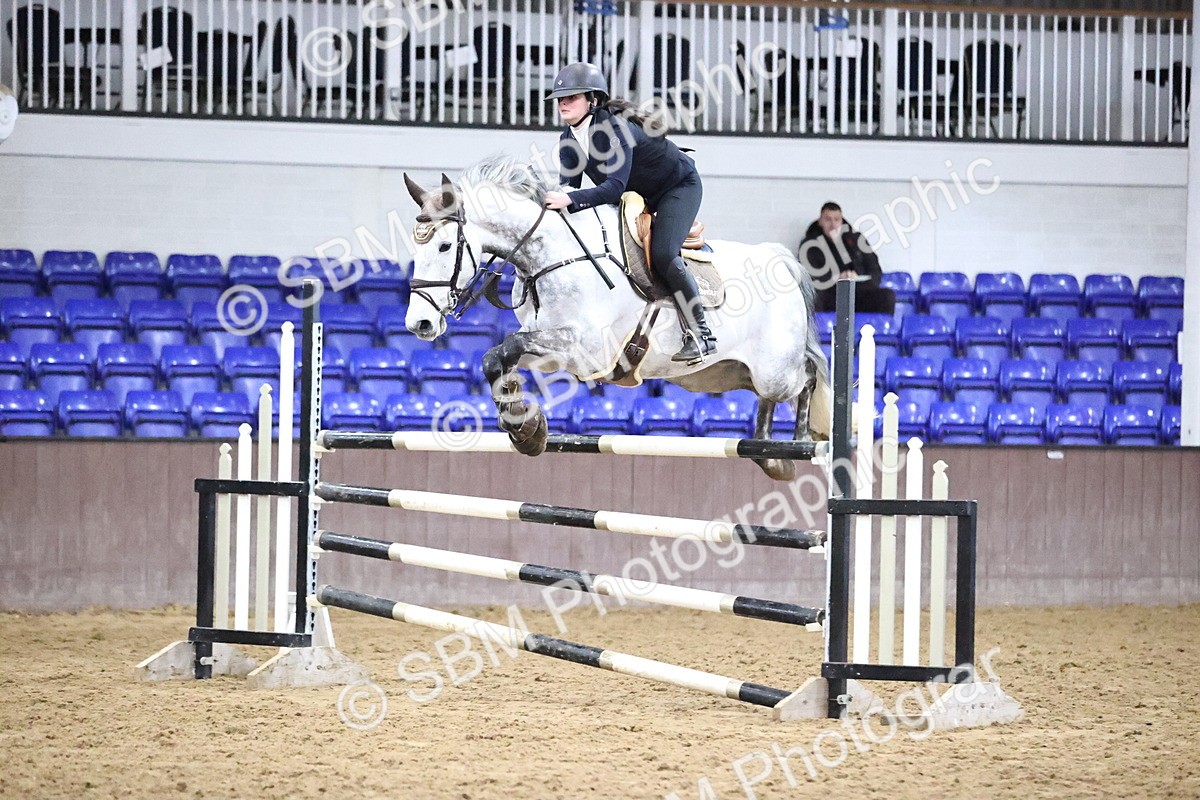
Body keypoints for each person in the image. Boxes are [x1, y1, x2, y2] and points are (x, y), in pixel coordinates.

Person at [541, 62, 715, 364]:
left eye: (572, 97)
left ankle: (702, 335)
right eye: (560, 98)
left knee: (663, 255)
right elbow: (569, 189)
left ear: (593, 100)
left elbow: (612, 189)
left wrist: (568, 201)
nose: (563, 103)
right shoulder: (568, 140)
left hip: (677, 187)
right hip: (639, 194)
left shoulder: (614, 130)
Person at [798, 202, 896, 315]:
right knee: (814, 299)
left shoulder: (856, 240)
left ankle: (877, 332)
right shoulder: (810, 245)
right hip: (829, 294)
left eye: (836, 219)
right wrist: (836, 278)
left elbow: (875, 270)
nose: (833, 225)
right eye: (828, 220)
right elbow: (808, 277)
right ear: (820, 222)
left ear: (842, 221)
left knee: (886, 297)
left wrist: (856, 276)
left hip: (857, 291)